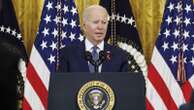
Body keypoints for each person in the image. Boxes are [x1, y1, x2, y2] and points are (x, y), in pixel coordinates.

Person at [59, 5, 129, 72]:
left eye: (104, 23)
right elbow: (62, 83)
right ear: (84, 26)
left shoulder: (120, 55)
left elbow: (124, 83)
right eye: (95, 22)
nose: (100, 27)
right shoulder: (67, 54)